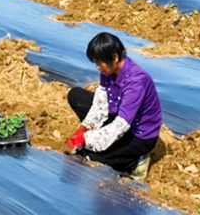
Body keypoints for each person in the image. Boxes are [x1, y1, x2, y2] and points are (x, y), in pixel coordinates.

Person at [65, 32, 163, 179]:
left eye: (100, 62)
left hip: (138, 134)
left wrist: (87, 139)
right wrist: (84, 128)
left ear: (115, 57)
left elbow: (120, 125)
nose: (98, 67)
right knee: (76, 96)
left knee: (93, 158)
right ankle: (106, 143)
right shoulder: (108, 71)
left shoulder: (136, 82)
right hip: (119, 115)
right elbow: (101, 103)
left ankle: (135, 162)